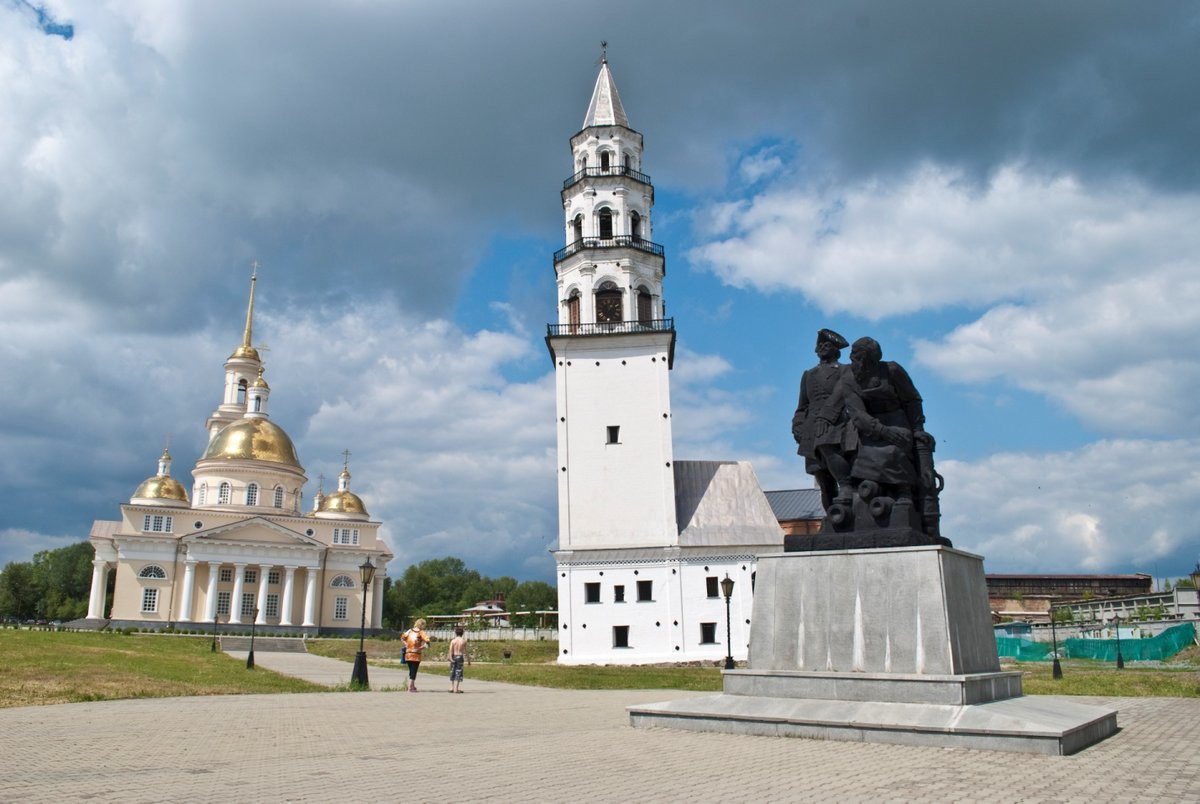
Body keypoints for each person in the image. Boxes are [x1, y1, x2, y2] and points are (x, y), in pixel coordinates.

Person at [792, 328, 853, 511]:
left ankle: (847, 486)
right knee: (821, 476)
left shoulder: (845, 370)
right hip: (811, 429)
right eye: (820, 345)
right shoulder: (808, 375)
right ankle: (833, 517)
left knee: (831, 454)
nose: (822, 348)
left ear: (836, 350)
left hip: (836, 425)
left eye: (827, 345)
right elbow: (802, 405)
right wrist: (797, 425)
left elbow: (848, 398)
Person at [401, 619, 430, 692]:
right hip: (416, 655)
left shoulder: (409, 631)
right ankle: (410, 688)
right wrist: (422, 647)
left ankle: (412, 686)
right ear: (422, 625)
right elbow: (428, 641)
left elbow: (402, 638)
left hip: (408, 654)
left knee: (411, 670)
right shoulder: (421, 632)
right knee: (414, 671)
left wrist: (406, 644)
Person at [447, 626, 470, 693]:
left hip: (454, 656)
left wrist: (450, 658)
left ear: (456, 633)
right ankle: (456, 688)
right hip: (460, 657)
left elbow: (450, 650)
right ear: (462, 633)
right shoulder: (463, 641)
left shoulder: (453, 641)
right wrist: (468, 660)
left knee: (452, 671)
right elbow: (466, 651)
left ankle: (451, 687)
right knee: (459, 672)